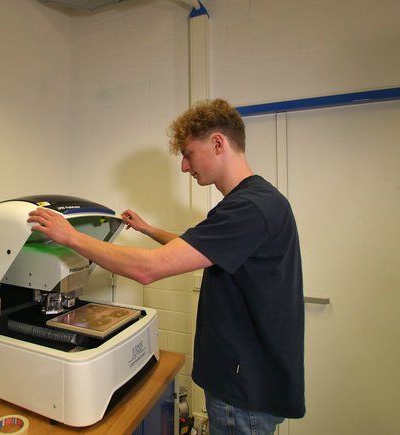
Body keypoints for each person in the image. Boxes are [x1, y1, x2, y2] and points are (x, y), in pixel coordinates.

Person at [27, 98, 305, 435]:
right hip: (246, 381)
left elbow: (150, 269)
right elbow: (197, 248)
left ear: (218, 143)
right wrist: (147, 229)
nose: (185, 167)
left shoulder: (249, 208)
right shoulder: (255, 202)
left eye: (188, 154)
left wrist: (71, 237)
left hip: (244, 390)